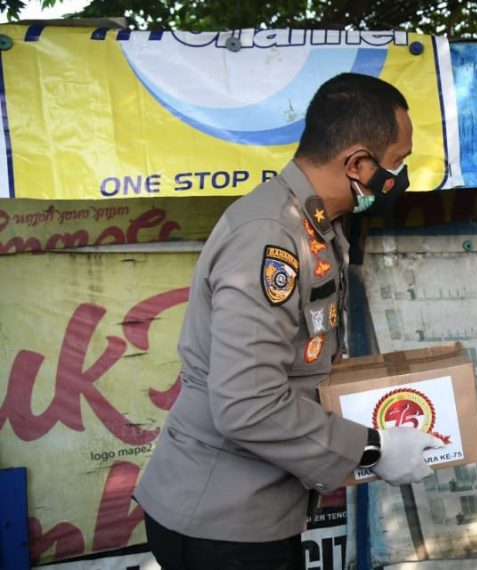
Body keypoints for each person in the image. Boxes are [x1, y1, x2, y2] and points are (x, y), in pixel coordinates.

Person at [133, 73, 443, 570]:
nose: (398, 179)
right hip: (222, 518)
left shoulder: (313, 226)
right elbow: (247, 404)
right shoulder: (269, 238)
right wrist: (374, 448)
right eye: (397, 163)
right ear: (359, 164)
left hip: (251, 507)